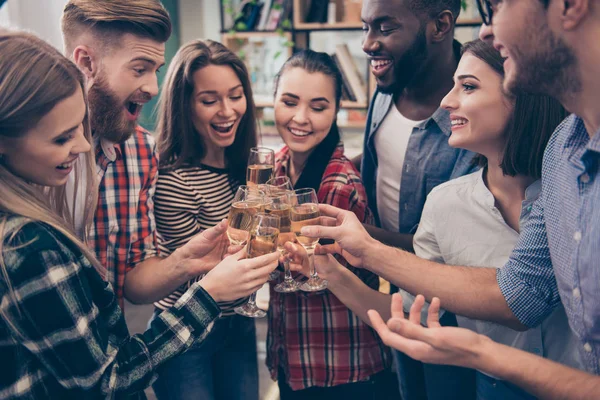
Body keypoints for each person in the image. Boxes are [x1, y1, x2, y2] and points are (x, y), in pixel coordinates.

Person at [300, 0, 600, 396]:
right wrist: (338, 263)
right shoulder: (562, 151)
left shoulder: (557, 166)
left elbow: (514, 300)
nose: (486, 30)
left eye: (497, 8)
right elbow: (519, 296)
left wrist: (366, 246)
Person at [0, 30, 278, 399]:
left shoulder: (141, 155)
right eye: (62, 137)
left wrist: (184, 261)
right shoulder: (30, 245)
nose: (83, 147)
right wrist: (207, 294)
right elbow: (108, 380)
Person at [61, 0, 215, 309]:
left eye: (155, 71)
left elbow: (132, 282)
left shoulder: (142, 150)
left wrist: (185, 261)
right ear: (86, 63)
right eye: (139, 69)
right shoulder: (18, 149)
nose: (153, 87)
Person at [357, 0, 476, 397]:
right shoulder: (386, 86)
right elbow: (385, 160)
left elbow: (447, 249)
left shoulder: (479, 112)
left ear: (440, 25)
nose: (368, 44)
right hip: (395, 296)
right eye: (365, 28)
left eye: (385, 29)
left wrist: (357, 235)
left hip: (458, 317)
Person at [266, 49, 394, 399]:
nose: (301, 118)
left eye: (318, 107)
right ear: (273, 99)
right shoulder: (275, 168)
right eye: (289, 102)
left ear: (336, 109)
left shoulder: (338, 184)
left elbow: (321, 276)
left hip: (342, 366)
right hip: (294, 360)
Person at [150, 39, 259, 400]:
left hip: (237, 323)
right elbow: (198, 273)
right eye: (209, 100)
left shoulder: (248, 169)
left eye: (236, 95)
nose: (227, 111)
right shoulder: (175, 181)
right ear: (185, 106)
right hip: (185, 333)